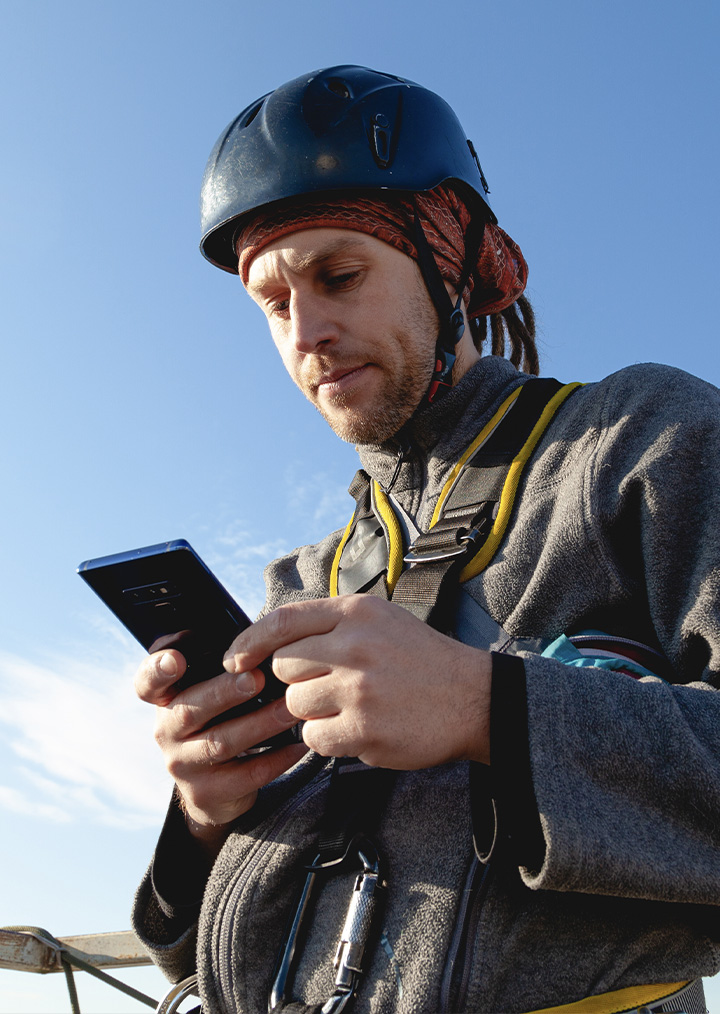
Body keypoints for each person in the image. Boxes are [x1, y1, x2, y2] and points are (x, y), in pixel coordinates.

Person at [131, 66, 720, 1014]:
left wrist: (490, 711)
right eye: (273, 304)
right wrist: (204, 815)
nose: (308, 332)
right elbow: (194, 957)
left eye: (340, 275)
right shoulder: (303, 582)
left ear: (458, 262)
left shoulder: (646, 441)